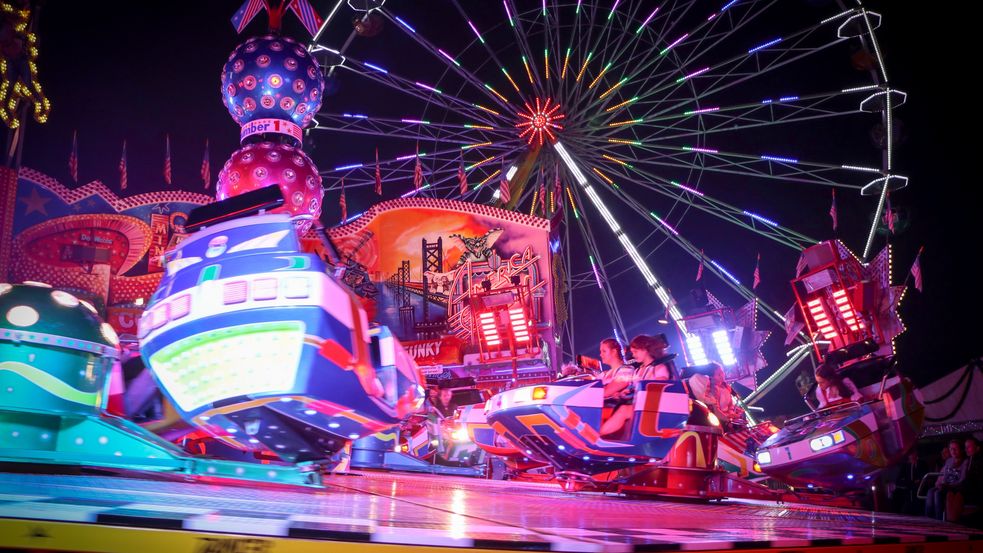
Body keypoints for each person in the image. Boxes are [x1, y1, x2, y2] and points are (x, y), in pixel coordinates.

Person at [599, 334, 674, 438]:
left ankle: (597, 436)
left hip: (654, 407)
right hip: (640, 405)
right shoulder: (638, 371)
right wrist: (623, 393)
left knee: (623, 410)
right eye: (633, 352)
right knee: (621, 407)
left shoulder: (659, 368)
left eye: (636, 352)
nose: (633, 355)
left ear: (645, 350)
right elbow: (632, 388)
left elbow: (658, 389)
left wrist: (636, 391)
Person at [926, 439, 967, 520]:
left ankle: (939, 519)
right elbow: (945, 475)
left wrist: (948, 485)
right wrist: (941, 483)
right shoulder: (949, 461)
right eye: (951, 449)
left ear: (960, 450)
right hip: (946, 485)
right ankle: (929, 518)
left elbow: (962, 478)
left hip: (955, 486)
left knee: (938, 493)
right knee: (931, 491)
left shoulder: (965, 462)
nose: (953, 451)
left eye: (955, 449)